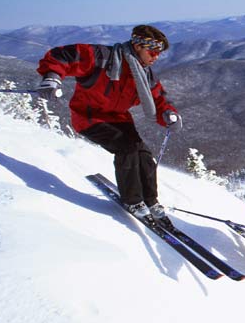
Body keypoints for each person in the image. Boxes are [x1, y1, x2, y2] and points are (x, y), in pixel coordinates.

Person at [36, 24, 182, 224]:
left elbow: (158, 98)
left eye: (159, 53)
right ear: (138, 46)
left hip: (119, 118)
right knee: (127, 149)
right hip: (88, 117)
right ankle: (133, 201)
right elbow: (63, 55)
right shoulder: (101, 57)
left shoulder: (144, 74)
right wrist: (52, 77)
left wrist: (168, 114)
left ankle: (151, 200)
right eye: (153, 51)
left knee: (144, 154)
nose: (156, 57)